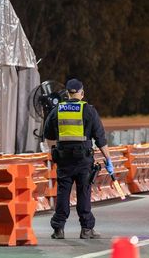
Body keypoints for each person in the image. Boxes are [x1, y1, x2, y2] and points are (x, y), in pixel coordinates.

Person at [43, 78, 114, 239]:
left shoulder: (57, 110)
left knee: (63, 192)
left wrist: (55, 149)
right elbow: (100, 139)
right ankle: (86, 229)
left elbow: (48, 135)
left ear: (67, 93)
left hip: (63, 159)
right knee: (83, 192)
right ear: (81, 93)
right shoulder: (88, 110)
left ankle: (58, 229)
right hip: (83, 160)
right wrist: (108, 160)